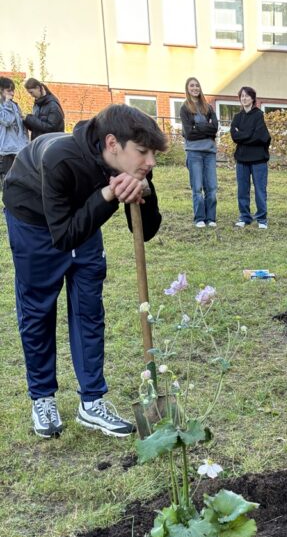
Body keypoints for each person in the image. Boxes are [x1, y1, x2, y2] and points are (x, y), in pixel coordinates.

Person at [2, 104, 167, 439]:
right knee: (38, 310)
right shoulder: (60, 158)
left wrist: (144, 194)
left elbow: (146, 232)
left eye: (152, 154)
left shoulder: (134, 164)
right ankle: (43, 398)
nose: (150, 162)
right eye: (143, 153)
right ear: (112, 143)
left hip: (82, 219)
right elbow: (63, 236)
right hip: (35, 220)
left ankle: (91, 402)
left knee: (89, 310)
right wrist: (108, 195)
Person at [180, 77, 218, 228]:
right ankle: (199, 218)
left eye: (197, 85)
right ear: (187, 89)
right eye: (192, 86)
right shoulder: (185, 108)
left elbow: (215, 127)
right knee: (197, 188)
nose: (195, 88)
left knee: (212, 188)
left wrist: (198, 127)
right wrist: (205, 129)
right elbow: (189, 133)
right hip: (194, 153)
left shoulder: (208, 107)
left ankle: (211, 218)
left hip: (209, 152)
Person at [230, 86, 271, 229]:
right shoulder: (237, 117)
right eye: (242, 96)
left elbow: (261, 136)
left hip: (258, 159)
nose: (244, 98)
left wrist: (243, 135)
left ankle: (261, 219)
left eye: (247, 96)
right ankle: (244, 217)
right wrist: (249, 134)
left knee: (260, 190)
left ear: (253, 98)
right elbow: (235, 137)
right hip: (242, 159)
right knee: (242, 190)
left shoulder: (258, 115)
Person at [0, 77, 28, 185]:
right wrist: (7, 103)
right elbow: (7, 121)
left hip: (18, 148)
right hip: (6, 151)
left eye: (13, 90)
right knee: (7, 182)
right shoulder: (5, 105)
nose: (12, 93)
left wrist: (25, 143)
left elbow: (20, 126)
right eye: (8, 90)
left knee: (18, 181)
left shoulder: (14, 105)